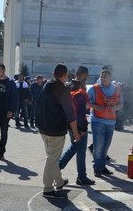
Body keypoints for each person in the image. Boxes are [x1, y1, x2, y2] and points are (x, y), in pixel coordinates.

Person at [36, 64, 81, 198]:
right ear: (65, 75)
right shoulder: (62, 91)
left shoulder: (46, 85)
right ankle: (48, 188)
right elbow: (70, 114)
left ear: (53, 74)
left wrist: (68, 87)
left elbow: (59, 90)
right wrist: (76, 133)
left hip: (43, 128)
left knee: (52, 157)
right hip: (55, 130)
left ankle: (59, 182)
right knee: (52, 159)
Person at [59, 66, 95, 186]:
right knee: (78, 149)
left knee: (77, 147)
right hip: (77, 123)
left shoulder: (71, 85)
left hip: (70, 121)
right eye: (84, 74)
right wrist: (82, 128)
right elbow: (79, 110)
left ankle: (79, 175)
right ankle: (59, 167)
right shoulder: (78, 87)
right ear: (84, 74)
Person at [88, 68, 123, 177]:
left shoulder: (117, 89)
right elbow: (85, 102)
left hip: (111, 122)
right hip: (97, 120)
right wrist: (95, 106)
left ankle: (102, 166)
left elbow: (121, 103)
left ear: (110, 78)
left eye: (105, 77)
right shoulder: (94, 89)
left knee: (106, 146)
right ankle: (97, 168)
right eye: (101, 77)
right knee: (98, 145)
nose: (102, 79)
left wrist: (116, 107)